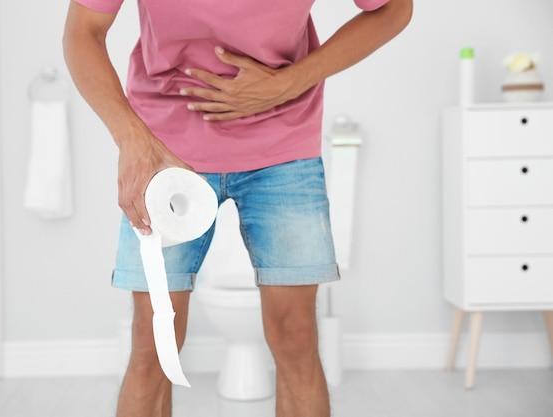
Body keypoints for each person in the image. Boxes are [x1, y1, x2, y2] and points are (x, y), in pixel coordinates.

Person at [63, 0, 412, 415]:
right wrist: (131, 138)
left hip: (283, 144)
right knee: (153, 343)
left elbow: (395, 8)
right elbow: (83, 31)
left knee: (296, 337)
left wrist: (289, 82)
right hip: (164, 149)